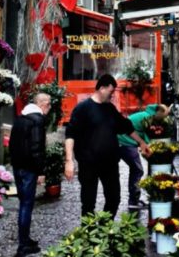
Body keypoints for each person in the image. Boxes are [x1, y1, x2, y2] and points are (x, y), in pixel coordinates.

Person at [64, 74, 150, 217]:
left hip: (109, 164)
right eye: (111, 92)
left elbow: (126, 126)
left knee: (114, 199)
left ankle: (105, 228)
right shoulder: (82, 109)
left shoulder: (110, 109)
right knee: (88, 202)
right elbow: (70, 135)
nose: (112, 95)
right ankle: (89, 234)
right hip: (88, 164)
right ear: (102, 88)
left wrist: (141, 142)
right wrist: (69, 161)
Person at [9, 90, 51, 257]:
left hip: (18, 166)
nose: (49, 108)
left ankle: (25, 239)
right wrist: (40, 171)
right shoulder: (38, 121)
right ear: (41, 104)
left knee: (23, 203)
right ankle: (23, 245)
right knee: (27, 205)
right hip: (29, 169)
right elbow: (37, 148)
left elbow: (12, 144)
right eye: (48, 104)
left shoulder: (21, 118)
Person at [118, 102, 171, 216]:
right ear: (159, 113)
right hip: (124, 141)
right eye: (165, 116)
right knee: (137, 170)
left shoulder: (147, 115)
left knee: (136, 169)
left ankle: (134, 199)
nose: (164, 119)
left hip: (125, 141)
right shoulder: (148, 118)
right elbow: (147, 140)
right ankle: (133, 201)